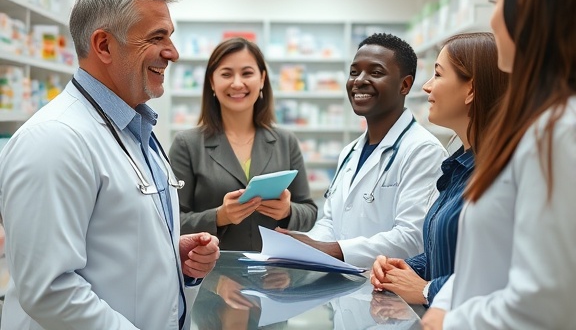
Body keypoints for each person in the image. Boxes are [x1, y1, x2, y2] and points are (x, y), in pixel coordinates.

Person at [0, 0, 220, 330]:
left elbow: (108, 240)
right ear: (103, 45)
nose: (173, 53)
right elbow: (49, 289)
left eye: (171, 37)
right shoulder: (55, 140)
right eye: (157, 37)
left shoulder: (135, 129)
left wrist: (168, 255)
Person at [422, 0, 576, 329]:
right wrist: (444, 300)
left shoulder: (559, 132)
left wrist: (447, 320)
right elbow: (489, 262)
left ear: (532, 14)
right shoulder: (536, 126)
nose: (492, 19)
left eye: (498, 4)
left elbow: (547, 304)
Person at [278, 33, 448, 268]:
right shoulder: (350, 152)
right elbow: (331, 222)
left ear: (405, 85)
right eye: (354, 72)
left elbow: (413, 238)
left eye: (376, 73)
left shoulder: (423, 151)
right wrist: (301, 246)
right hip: (341, 290)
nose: (359, 81)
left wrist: (331, 250)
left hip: (389, 295)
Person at [370, 32, 507, 307]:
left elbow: (498, 275)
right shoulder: (458, 167)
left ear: (471, 90)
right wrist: (405, 269)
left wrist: (427, 290)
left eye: (438, 74)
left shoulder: (500, 174)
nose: (427, 87)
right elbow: (445, 254)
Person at [169, 37, 317, 251]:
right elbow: (171, 220)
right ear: (212, 81)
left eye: (247, 73)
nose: (237, 83)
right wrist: (219, 216)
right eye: (226, 74)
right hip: (212, 275)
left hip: (275, 274)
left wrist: (288, 211)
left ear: (262, 78)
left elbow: (310, 212)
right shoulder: (187, 144)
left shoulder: (286, 142)